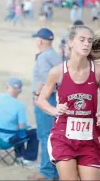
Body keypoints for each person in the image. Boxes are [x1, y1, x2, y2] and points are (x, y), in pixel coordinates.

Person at [36, 25, 100, 180]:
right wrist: (55, 110)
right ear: (71, 42)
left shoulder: (97, 71)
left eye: (90, 41)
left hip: (90, 138)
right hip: (63, 137)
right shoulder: (58, 71)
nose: (86, 44)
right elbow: (41, 100)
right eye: (82, 39)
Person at [29, 28, 61, 180]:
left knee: (45, 135)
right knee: (51, 135)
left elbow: (44, 80)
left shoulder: (42, 57)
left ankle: (46, 172)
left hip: (45, 98)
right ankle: (52, 171)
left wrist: (37, 95)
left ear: (40, 41)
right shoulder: (55, 55)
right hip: (54, 98)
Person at [0, 77, 39, 167]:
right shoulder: (20, 106)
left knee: (17, 131)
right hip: (8, 139)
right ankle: (28, 159)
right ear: (19, 91)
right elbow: (22, 127)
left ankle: (20, 156)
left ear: (7, 87)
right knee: (33, 132)